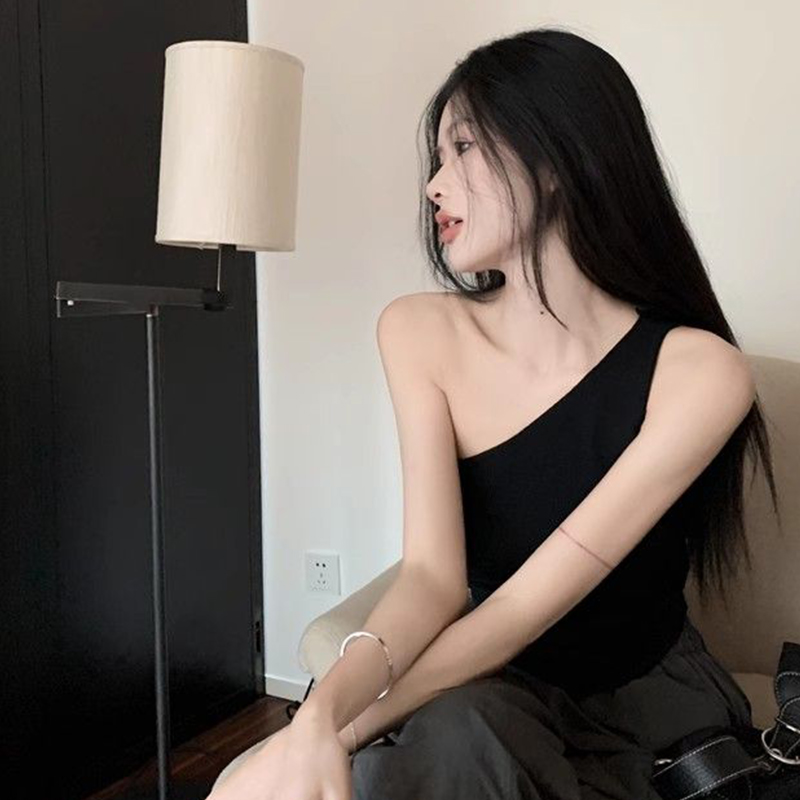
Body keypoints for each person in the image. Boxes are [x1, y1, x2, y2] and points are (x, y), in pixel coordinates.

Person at [206, 25, 781, 800]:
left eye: (464, 148)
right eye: (437, 158)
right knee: (450, 743)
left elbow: (517, 610)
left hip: (646, 705)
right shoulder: (419, 332)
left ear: (555, 158)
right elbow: (432, 580)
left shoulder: (699, 372)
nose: (434, 186)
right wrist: (316, 718)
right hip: (496, 697)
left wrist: (333, 732)